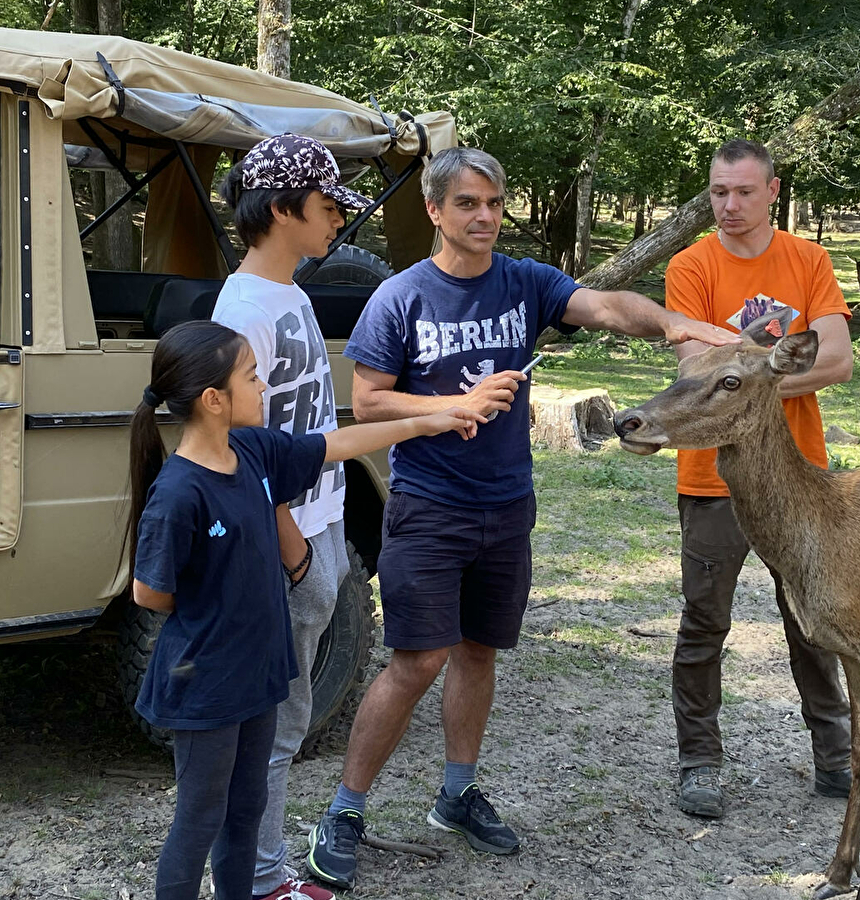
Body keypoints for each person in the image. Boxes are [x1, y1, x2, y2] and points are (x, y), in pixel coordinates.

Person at [304, 146, 737, 891]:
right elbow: (369, 400)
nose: (484, 217)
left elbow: (602, 305)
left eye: (495, 204)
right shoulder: (400, 297)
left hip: (506, 508)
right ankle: (343, 813)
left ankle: (457, 794)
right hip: (430, 507)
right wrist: (453, 408)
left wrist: (671, 325)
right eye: (468, 204)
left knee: (478, 652)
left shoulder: (525, 283)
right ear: (436, 211)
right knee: (417, 661)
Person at [127, 320, 482, 900]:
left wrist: (429, 421)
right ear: (214, 400)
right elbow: (150, 593)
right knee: (198, 822)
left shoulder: (252, 450)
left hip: (260, 674)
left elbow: (333, 445)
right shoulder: (179, 493)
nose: (263, 384)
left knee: (246, 812)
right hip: (205, 686)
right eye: (250, 376)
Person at [663, 138, 860, 820]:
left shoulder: (808, 260)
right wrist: (766, 372)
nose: (730, 205)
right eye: (718, 192)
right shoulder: (691, 267)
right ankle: (699, 763)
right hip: (713, 479)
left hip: (801, 481)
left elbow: (837, 361)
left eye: (744, 192)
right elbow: (694, 367)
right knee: (703, 623)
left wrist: (747, 378)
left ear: (773, 192)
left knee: (819, 625)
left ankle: (837, 763)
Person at [209, 132, 369, 900]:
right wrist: (296, 553)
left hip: (323, 520)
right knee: (271, 730)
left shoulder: (295, 294)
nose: (339, 219)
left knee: (291, 719)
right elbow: (240, 449)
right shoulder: (243, 310)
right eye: (328, 205)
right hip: (289, 538)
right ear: (282, 209)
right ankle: (262, 882)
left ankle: (263, 873)